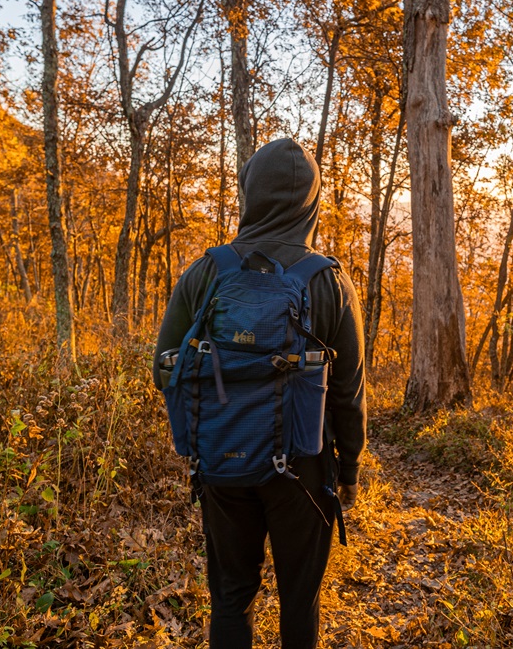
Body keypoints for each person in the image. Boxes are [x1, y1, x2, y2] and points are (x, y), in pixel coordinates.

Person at [153, 138, 366, 648]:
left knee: (231, 595)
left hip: (222, 461)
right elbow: (348, 391)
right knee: (300, 597)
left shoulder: (207, 272)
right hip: (305, 465)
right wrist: (351, 469)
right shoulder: (330, 281)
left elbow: (165, 368)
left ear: (250, 192)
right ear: (310, 202)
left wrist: (221, 407)